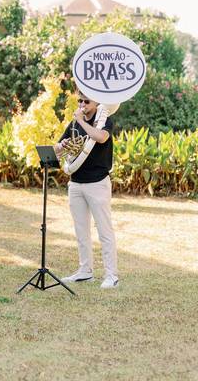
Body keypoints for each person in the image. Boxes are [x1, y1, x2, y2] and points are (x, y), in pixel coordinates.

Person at [55, 91, 119, 289]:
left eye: (86, 101)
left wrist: (82, 121)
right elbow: (57, 148)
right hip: (76, 183)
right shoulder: (74, 124)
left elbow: (100, 138)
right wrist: (63, 145)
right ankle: (85, 272)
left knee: (104, 230)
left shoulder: (104, 119)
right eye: (80, 101)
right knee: (81, 230)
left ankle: (112, 275)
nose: (82, 104)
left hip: (97, 183)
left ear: (96, 102)